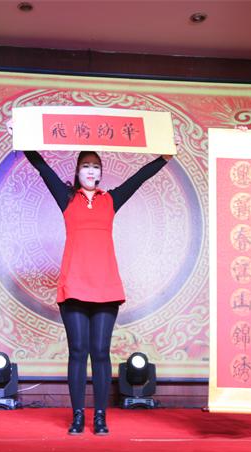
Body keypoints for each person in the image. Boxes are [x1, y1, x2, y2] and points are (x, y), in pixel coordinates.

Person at [24, 148, 172, 434]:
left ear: (100, 172)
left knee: (101, 353)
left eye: (95, 166)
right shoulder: (67, 198)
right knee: (78, 352)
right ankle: (78, 416)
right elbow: (42, 168)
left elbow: (139, 178)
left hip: (105, 287)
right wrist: (21, 139)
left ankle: (101, 417)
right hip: (74, 285)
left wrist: (163, 159)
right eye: (85, 166)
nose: (91, 170)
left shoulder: (110, 200)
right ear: (77, 171)